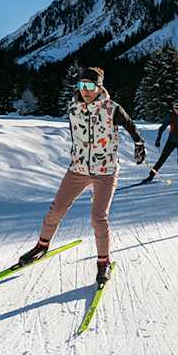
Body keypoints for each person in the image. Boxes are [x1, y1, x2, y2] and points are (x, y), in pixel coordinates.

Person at [18, 67, 146, 285]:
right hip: (78, 169)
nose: (85, 90)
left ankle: (103, 262)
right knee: (56, 210)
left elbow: (130, 125)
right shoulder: (73, 109)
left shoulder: (112, 109)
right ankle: (42, 245)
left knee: (98, 218)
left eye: (90, 85)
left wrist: (139, 144)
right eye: (81, 85)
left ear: (99, 87)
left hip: (105, 171)